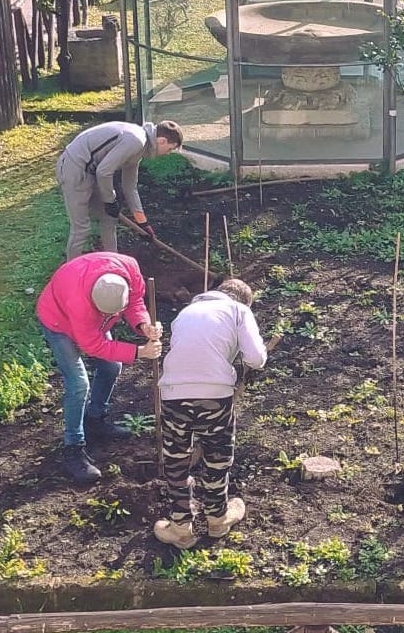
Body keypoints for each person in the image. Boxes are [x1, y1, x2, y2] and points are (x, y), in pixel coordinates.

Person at [153, 278, 271, 549]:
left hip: (173, 393)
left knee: (177, 458)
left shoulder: (185, 313)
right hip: (215, 394)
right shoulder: (239, 310)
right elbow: (256, 359)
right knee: (217, 456)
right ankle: (217, 519)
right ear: (244, 300)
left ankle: (180, 528)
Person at [35, 251, 161, 483]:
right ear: (94, 303)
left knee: (112, 367)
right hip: (57, 321)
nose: (112, 317)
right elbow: (92, 345)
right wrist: (139, 352)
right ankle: (73, 448)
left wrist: (143, 324)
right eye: (106, 314)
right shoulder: (79, 302)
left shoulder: (129, 269)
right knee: (78, 384)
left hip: (89, 320)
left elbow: (135, 302)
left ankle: (95, 420)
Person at [56, 120, 183, 260]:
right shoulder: (136, 141)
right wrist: (109, 200)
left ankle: (113, 263)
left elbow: (130, 187)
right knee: (82, 229)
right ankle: (71, 271)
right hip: (74, 168)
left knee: (109, 219)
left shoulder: (140, 147)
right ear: (162, 141)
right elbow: (104, 172)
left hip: (92, 170)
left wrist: (143, 223)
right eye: (170, 149)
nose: (168, 153)